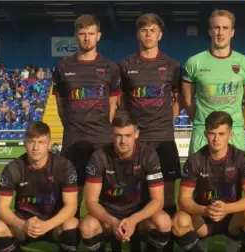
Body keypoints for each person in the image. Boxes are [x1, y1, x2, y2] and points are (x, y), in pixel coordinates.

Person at [118, 13, 182, 251]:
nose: (148, 34)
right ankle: (135, 242)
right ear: (138, 34)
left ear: (160, 35)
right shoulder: (125, 66)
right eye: (144, 30)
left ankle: (167, 243)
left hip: (163, 139)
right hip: (138, 142)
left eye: (153, 30)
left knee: (166, 198)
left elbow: (178, 100)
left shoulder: (172, 66)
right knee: (136, 196)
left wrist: (166, 120)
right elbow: (122, 103)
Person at [52, 14, 121, 217]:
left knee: (103, 196)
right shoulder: (62, 67)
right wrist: (72, 126)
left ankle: (100, 239)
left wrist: (103, 129)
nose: (86, 38)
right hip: (73, 140)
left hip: (101, 141)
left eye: (91, 34)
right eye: (82, 34)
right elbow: (60, 105)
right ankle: (70, 240)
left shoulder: (111, 68)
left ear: (98, 36)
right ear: (75, 36)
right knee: (72, 196)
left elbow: (112, 106)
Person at [172, 111, 245, 252]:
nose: (216, 139)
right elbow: (183, 199)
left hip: (232, 218)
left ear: (230, 135)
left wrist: (226, 209)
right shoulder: (195, 160)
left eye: (221, 134)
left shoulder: (241, 158)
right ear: (205, 134)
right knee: (179, 220)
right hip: (203, 218)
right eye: (212, 133)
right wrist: (205, 210)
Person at [80, 113, 172, 252]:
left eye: (128, 135)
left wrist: (134, 220)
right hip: (109, 215)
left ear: (136, 134)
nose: (123, 141)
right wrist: (113, 222)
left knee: (164, 222)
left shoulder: (148, 155)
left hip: (139, 215)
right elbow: (91, 202)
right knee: (87, 227)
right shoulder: (99, 156)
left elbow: (158, 200)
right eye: (118, 135)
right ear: (112, 135)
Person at [0, 121, 79, 252]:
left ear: (49, 143)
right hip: (24, 224)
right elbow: (2, 208)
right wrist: (23, 225)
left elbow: (71, 206)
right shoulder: (13, 168)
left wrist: (47, 225)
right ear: (25, 143)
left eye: (41, 142)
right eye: (31, 141)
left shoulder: (64, 166)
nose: (35, 148)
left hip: (54, 223)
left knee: (73, 224)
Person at [182, 9, 245, 155]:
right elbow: (187, 100)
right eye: (216, 28)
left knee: (235, 177)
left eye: (225, 28)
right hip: (203, 133)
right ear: (210, 31)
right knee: (198, 177)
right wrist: (200, 122)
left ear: (232, 32)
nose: (220, 32)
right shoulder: (194, 63)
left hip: (234, 134)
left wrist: (241, 127)